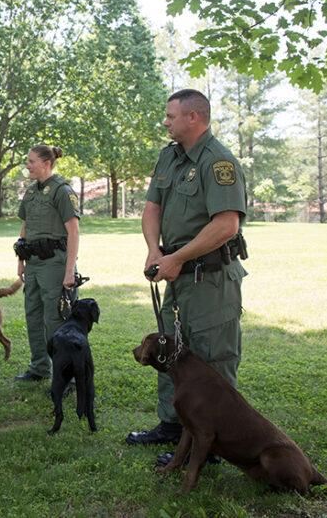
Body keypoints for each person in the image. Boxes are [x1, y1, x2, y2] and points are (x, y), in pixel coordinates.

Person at [125, 88, 249, 467]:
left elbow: (226, 225)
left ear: (193, 117)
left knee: (212, 360)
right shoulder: (170, 156)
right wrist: (154, 250)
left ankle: (210, 446)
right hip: (177, 275)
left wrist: (176, 257)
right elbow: (152, 207)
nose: (165, 122)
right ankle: (172, 426)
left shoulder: (218, 162)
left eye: (170, 116)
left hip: (210, 280)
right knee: (171, 352)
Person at [13, 145, 80, 382]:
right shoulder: (31, 191)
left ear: (46, 164)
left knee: (56, 319)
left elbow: (74, 232)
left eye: (31, 162)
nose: (28, 166)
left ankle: (67, 376)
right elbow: (25, 226)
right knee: (33, 316)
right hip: (33, 262)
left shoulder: (62, 191)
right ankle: (39, 367)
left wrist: (69, 270)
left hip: (54, 263)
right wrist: (21, 260)